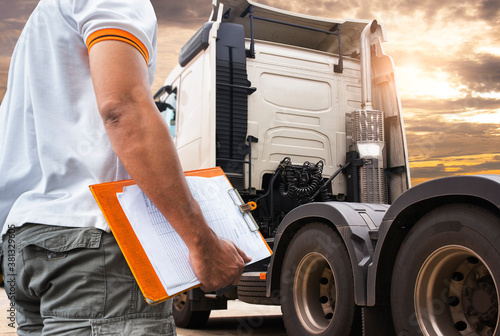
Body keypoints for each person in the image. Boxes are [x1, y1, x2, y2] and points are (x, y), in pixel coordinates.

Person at [0, 0, 250, 335]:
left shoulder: (38, 28)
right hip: (93, 245)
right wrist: (202, 242)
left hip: (25, 243)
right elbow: (122, 109)